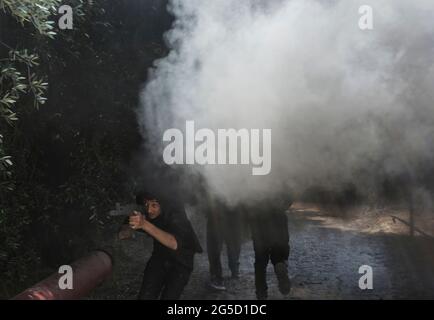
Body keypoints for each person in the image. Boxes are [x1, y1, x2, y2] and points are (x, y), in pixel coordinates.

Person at [118, 191, 203, 300]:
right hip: (160, 256)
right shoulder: (145, 213)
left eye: (154, 205)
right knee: (146, 295)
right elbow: (123, 234)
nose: (149, 210)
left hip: (181, 261)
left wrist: (144, 224)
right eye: (146, 204)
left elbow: (173, 243)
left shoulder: (176, 214)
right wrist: (130, 225)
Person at [248, 194, 292, 300]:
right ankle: (280, 264)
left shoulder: (252, 179)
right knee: (278, 252)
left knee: (260, 262)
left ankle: (261, 293)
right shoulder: (280, 179)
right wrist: (283, 205)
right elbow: (289, 195)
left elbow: (246, 197)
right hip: (278, 218)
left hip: (258, 220)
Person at [206, 197, 243, 290]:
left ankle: (233, 268)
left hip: (233, 205)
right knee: (215, 243)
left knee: (234, 240)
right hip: (217, 205)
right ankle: (216, 275)